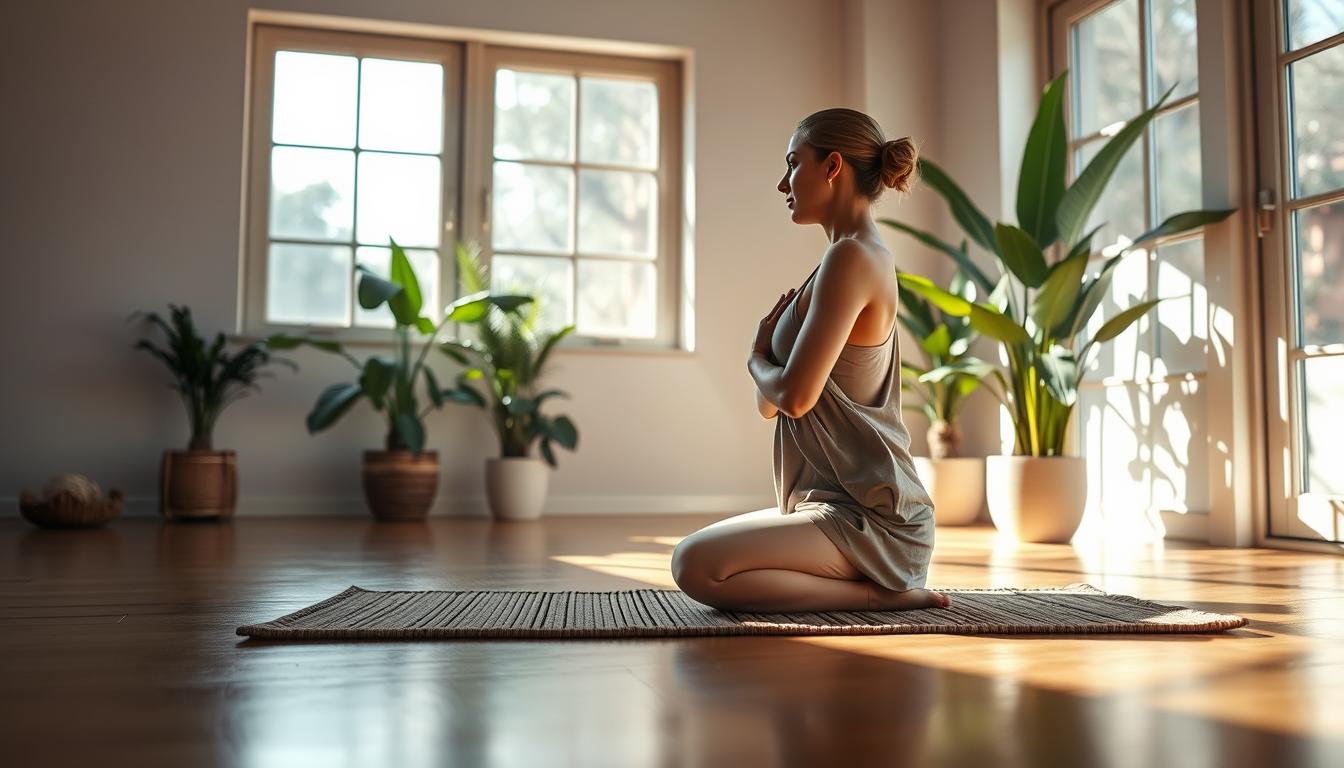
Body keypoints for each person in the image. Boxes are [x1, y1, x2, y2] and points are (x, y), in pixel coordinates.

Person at [671, 108, 952, 613]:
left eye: (792, 163)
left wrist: (756, 358)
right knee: (696, 559)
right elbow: (769, 406)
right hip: (825, 506)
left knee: (694, 564)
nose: (783, 183)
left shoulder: (854, 258)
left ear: (832, 167)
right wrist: (769, 375)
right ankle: (875, 589)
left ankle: (878, 596)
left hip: (872, 520)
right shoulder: (836, 261)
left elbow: (793, 398)